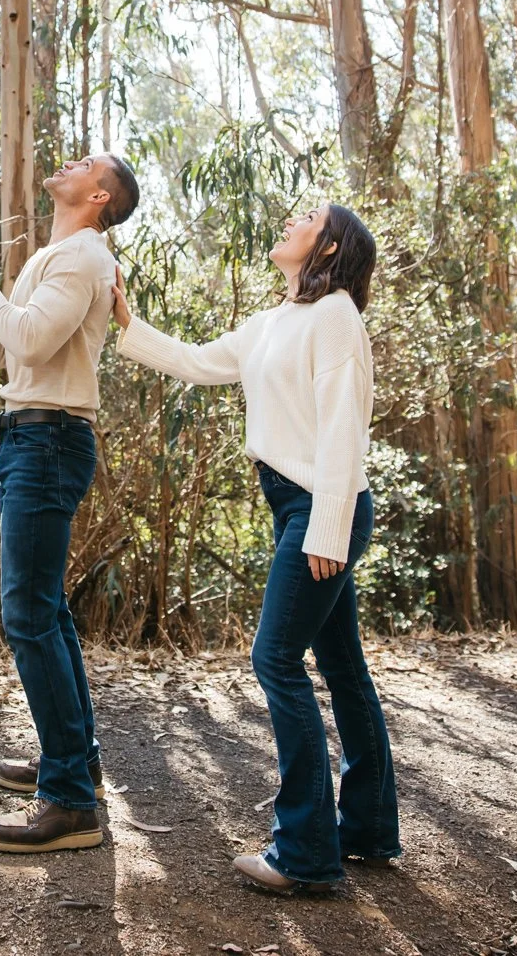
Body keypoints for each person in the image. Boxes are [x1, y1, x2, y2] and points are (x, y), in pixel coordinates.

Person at [112, 203, 401, 893]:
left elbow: (343, 425)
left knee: (275, 659)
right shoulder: (274, 321)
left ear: (328, 246)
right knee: (342, 665)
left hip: (321, 505)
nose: (288, 219)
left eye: (305, 217)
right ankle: (364, 828)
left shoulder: (335, 315)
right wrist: (127, 322)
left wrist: (328, 524)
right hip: (297, 505)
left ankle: (304, 855)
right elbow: (199, 361)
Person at [0, 152, 139, 854]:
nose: (70, 160)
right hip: (32, 434)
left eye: (88, 163)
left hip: (48, 441)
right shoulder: (59, 255)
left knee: (26, 613)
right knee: (44, 610)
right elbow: (2, 354)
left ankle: (71, 803)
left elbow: (25, 336)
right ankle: (74, 763)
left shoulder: (82, 258)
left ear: (100, 195)